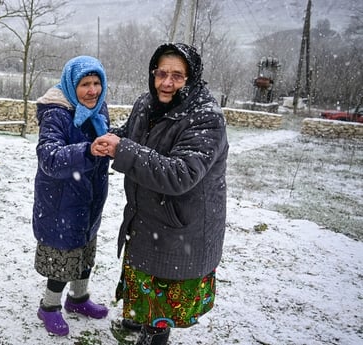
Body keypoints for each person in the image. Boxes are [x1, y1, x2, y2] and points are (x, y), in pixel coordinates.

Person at [91, 43, 229, 345]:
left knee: (163, 296)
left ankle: (153, 337)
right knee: (144, 278)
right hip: (147, 216)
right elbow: (132, 133)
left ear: (192, 78)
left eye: (177, 76)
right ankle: (137, 318)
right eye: (161, 74)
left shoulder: (206, 117)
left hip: (180, 224)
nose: (167, 83)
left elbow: (181, 173)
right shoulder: (147, 102)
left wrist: (122, 149)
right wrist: (110, 138)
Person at [32, 56, 111, 336]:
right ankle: (49, 307)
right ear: (70, 85)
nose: (93, 90)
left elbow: (107, 139)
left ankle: (78, 300)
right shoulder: (57, 113)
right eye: (85, 84)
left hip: (90, 200)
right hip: (61, 203)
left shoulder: (99, 110)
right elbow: (49, 158)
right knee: (62, 258)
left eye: (97, 83)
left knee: (85, 252)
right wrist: (87, 150)